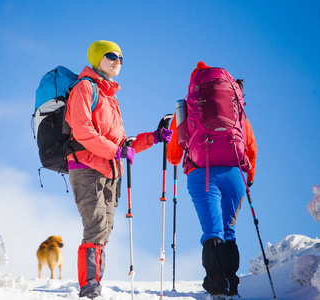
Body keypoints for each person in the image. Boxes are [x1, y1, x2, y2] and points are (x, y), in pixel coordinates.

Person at [65, 40, 172, 299]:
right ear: (97, 59)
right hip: (87, 167)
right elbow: (83, 131)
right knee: (97, 225)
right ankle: (89, 288)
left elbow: (122, 143)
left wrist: (154, 137)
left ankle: (94, 285)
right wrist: (116, 151)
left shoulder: (110, 98)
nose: (118, 61)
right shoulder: (84, 88)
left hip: (110, 172)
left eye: (121, 58)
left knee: (105, 229)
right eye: (111, 56)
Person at [166, 62, 257, 300]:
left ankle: (216, 289)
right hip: (234, 174)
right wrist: (249, 178)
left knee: (212, 230)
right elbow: (250, 147)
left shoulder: (188, 108)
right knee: (229, 230)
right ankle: (232, 288)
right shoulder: (236, 110)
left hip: (202, 173)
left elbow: (174, 156)